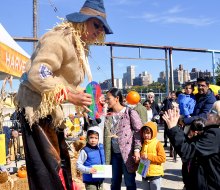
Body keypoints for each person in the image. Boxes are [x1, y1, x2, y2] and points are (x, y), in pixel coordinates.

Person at [15, 0, 113, 189]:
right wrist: (70, 95)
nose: (99, 31)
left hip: (51, 113)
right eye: (96, 24)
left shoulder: (78, 45)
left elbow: (64, 83)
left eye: (101, 27)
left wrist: (85, 97)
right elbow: (38, 73)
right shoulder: (60, 38)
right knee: (48, 173)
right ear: (83, 20)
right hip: (36, 111)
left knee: (60, 168)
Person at [162, 101, 220, 190]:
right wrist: (176, 128)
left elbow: (187, 151)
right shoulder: (211, 132)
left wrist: (173, 128)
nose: (208, 113)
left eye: (212, 111)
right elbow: (189, 144)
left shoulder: (215, 134)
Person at [103, 88, 142, 190]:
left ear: (117, 98)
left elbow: (138, 132)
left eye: (108, 98)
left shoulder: (130, 112)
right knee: (114, 183)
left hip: (127, 155)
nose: (107, 100)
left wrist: (137, 150)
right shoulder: (108, 115)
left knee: (129, 182)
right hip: (114, 155)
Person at [140, 121, 166, 190]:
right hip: (144, 174)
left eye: (148, 133)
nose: (146, 135)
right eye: (144, 133)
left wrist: (148, 156)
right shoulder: (142, 144)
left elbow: (162, 158)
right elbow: (142, 158)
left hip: (155, 175)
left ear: (153, 133)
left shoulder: (158, 144)